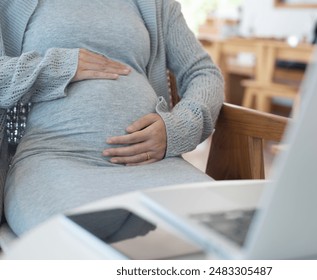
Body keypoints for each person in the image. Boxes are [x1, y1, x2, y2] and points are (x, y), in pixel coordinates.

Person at [0, 0, 224, 235]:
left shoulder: (155, 4)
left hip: (154, 165)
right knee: (71, 244)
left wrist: (179, 127)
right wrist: (55, 67)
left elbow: (203, 72)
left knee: (230, 231)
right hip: (56, 161)